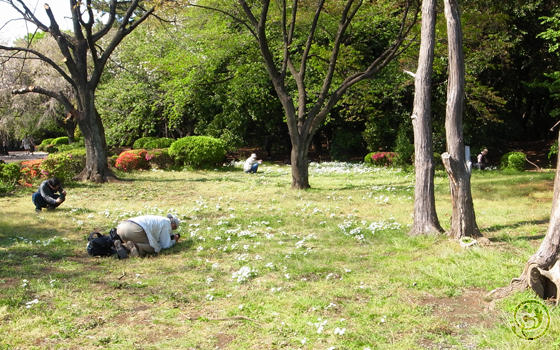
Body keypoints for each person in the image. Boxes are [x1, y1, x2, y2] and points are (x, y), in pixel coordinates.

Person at [116, 214, 181, 257]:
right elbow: (166, 246)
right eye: (173, 229)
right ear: (173, 225)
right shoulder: (167, 223)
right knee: (155, 247)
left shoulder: (159, 219)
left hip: (122, 228)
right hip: (135, 230)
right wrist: (174, 240)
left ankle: (122, 247)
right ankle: (136, 247)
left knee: (148, 241)